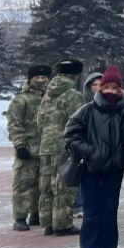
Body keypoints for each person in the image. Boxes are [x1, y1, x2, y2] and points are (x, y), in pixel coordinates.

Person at [62, 66, 124, 248]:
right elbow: (70, 135)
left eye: (115, 87)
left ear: (120, 89)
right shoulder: (87, 110)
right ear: (100, 88)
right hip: (91, 169)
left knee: (110, 210)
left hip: (114, 170)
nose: (110, 91)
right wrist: (91, 151)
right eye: (106, 87)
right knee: (92, 211)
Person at [37, 58, 86, 237]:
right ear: (75, 74)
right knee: (64, 186)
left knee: (47, 187)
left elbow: (40, 120)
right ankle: (62, 224)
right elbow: (78, 121)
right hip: (64, 146)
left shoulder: (47, 94)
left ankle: (48, 223)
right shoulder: (73, 94)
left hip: (45, 146)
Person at [7, 64, 50, 231]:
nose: (41, 81)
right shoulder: (21, 99)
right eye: (37, 78)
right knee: (22, 184)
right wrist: (19, 145)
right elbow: (14, 124)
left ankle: (35, 214)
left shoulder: (50, 99)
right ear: (30, 80)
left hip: (45, 148)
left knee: (41, 185)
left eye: (44, 78)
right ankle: (19, 217)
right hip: (27, 149)